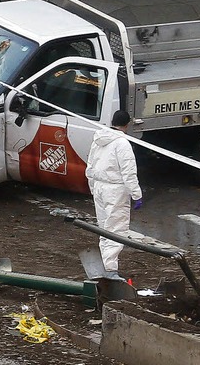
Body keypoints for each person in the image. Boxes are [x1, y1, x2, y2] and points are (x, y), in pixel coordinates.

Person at [85, 110, 143, 279]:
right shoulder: (122, 143)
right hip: (115, 190)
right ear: (127, 125)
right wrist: (136, 194)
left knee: (104, 229)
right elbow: (129, 172)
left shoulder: (99, 140)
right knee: (116, 230)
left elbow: (90, 166)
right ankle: (111, 271)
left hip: (99, 187)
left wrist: (92, 187)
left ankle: (106, 265)